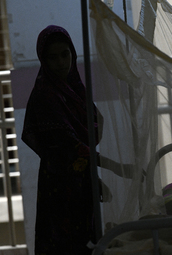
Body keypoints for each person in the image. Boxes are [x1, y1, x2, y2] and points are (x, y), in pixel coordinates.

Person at [22, 25, 102, 255]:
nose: (60, 62)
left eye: (65, 54)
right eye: (53, 57)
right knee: (65, 244)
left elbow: (94, 124)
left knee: (88, 241)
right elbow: (70, 145)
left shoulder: (74, 89)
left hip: (83, 180)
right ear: (43, 60)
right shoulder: (45, 95)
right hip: (60, 186)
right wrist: (116, 168)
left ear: (72, 53)